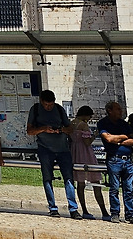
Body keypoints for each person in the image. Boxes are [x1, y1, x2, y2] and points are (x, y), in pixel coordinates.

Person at [26, 90, 81, 219]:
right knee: (47, 178)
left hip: (63, 149)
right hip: (45, 149)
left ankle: (73, 208)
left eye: (51, 105)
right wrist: (44, 129)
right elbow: (29, 130)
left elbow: (70, 129)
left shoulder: (59, 109)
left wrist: (61, 130)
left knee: (69, 178)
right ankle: (53, 207)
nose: (48, 107)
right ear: (41, 101)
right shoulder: (35, 110)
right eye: (46, 105)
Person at [96, 101, 133, 224]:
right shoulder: (103, 123)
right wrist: (125, 136)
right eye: (118, 109)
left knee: (129, 189)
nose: (121, 111)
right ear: (110, 110)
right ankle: (115, 213)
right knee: (114, 188)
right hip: (114, 159)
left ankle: (130, 214)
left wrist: (118, 140)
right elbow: (108, 139)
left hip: (128, 160)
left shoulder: (124, 124)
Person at [71, 105, 109, 219]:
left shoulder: (72, 123)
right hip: (86, 154)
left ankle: (84, 210)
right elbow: (87, 142)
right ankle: (104, 211)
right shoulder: (83, 125)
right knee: (96, 182)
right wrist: (95, 135)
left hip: (75, 153)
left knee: (80, 184)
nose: (89, 119)